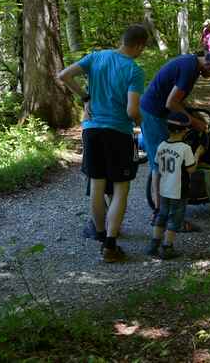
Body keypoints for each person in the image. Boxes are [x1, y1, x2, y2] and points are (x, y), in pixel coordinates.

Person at [57, 24, 148, 263]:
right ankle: (110, 245)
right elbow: (131, 110)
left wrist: (85, 97)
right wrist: (143, 122)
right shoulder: (134, 71)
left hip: (91, 130)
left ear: (122, 39)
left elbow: (63, 75)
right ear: (139, 46)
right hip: (117, 133)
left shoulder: (97, 57)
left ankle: (99, 233)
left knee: (97, 186)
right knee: (120, 188)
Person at [141, 50, 210, 220]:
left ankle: (167, 212)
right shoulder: (190, 69)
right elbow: (171, 103)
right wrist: (194, 122)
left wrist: (194, 115)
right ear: (208, 65)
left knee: (165, 160)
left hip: (158, 112)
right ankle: (161, 214)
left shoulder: (191, 65)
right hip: (153, 113)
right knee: (161, 163)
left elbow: (178, 98)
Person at [145, 112, 205, 259]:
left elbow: (158, 167)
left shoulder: (162, 146)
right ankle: (167, 247)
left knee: (162, 214)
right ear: (183, 131)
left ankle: (154, 244)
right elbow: (191, 169)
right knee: (175, 218)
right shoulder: (185, 149)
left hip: (164, 189)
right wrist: (197, 154)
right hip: (179, 190)